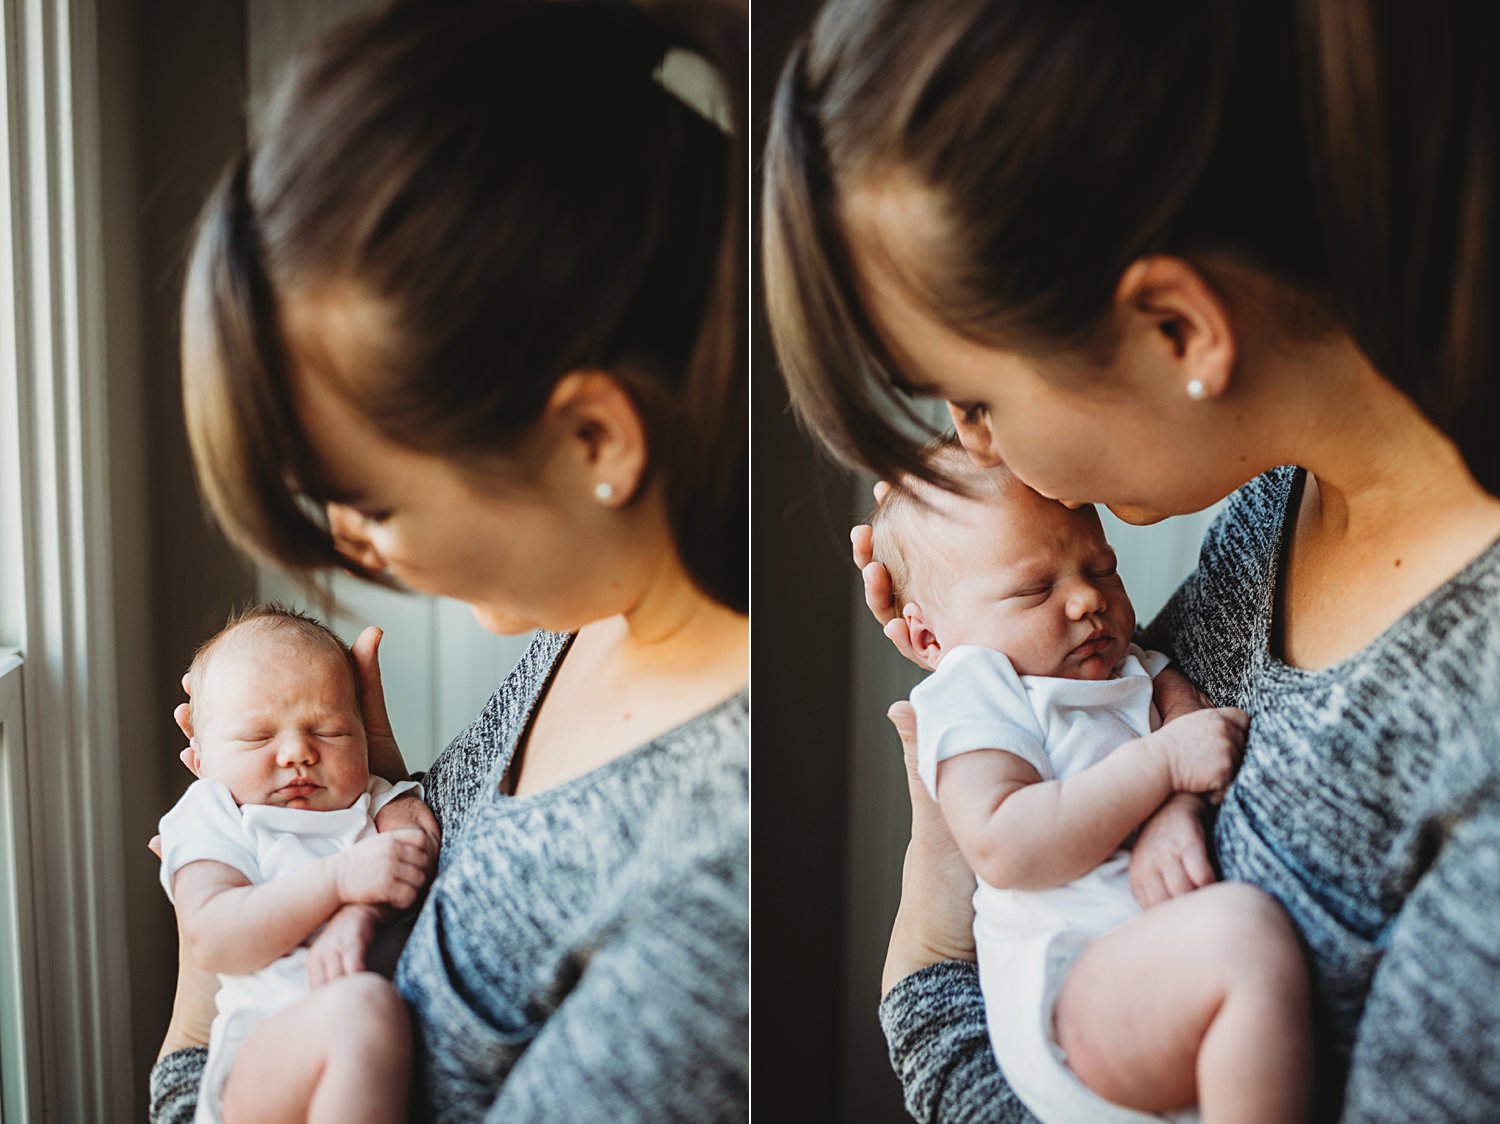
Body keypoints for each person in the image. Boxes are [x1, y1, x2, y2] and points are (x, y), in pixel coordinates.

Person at [762, 0, 1500, 1119]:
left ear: (1176, 329)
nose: (976, 447)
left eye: (976, 398)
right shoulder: (1268, 520)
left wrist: (925, 971)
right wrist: (984, 653)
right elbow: (1106, 746)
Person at [150, 1, 748, 1121]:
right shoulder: (594, 618)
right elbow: (450, 899)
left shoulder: (718, 882)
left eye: (370, 500)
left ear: (593, 442)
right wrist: (345, 794)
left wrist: (198, 1020)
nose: (354, 544)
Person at [871, 439, 1310, 1123]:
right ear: (930, 643)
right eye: (1034, 589)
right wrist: (1161, 770)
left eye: (1101, 569)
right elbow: (1005, 844)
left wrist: (1175, 813)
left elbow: (1189, 721)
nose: (1085, 601)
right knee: (1245, 942)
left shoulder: (1122, 663)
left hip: (1141, 972)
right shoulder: (977, 685)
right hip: (1073, 983)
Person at [158, 604, 439, 1124]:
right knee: (361, 1011)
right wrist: (338, 881)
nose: (296, 752)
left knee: (364, 1011)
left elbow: (415, 850)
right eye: (258, 737)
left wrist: (360, 916)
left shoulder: (369, 798)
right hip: (263, 1062)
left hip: (368, 1052)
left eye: (330, 732)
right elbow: (215, 938)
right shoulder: (215, 814)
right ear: (200, 761)